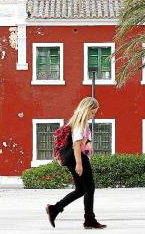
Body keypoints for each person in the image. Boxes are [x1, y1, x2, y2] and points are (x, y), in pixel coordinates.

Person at [46, 97, 107, 229]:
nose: (93, 115)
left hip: (73, 158)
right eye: (93, 112)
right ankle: (89, 220)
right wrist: (79, 163)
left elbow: (83, 139)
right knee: (90, 188)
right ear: (87, 109)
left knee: (80, 190)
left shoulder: (80, 122)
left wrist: (89, 142)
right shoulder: (80, 123)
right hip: (77, 157)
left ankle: (54, 209)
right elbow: (76, 144)